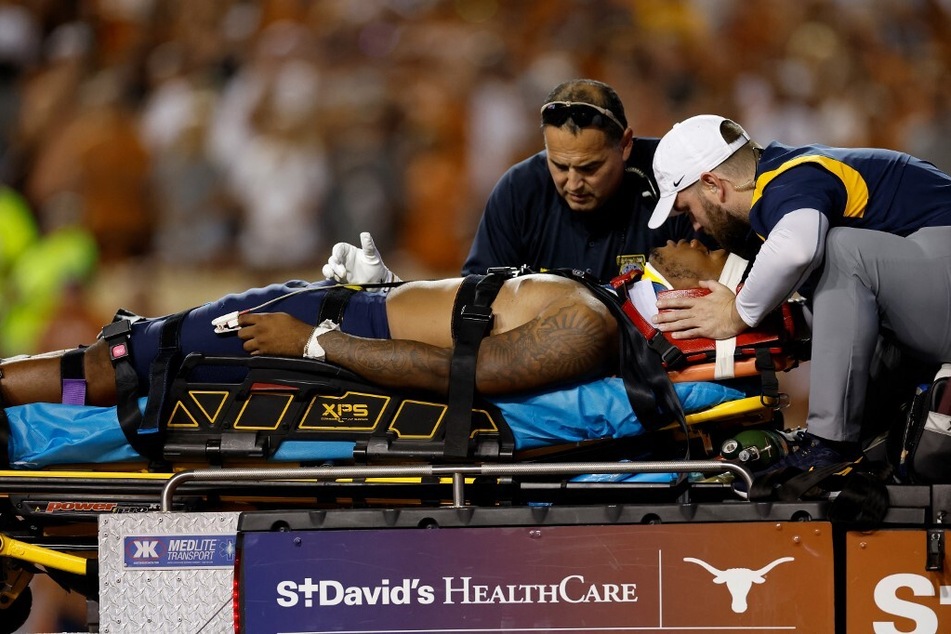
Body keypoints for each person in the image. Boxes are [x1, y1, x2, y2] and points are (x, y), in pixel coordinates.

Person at [0, 240, 734, 412]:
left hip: (319, 323)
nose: (686, 233)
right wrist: (383, 288)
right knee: (120, 357)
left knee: (117, 365)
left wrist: (318, 344)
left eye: (704, 246)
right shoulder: (597, 303)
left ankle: (18, 402)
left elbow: (464, 376)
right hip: (334, 302)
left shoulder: (588, 328)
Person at [646, 114, 951, 470]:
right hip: (933, 283)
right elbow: (846, 305)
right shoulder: (787, 182)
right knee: (847, 296)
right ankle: (862, 446)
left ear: (713, 183)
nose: (694, 225)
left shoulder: (789, 177)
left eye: (687, 208)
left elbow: (797, 249)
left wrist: (735, 314)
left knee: (842, 249)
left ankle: (829, 443)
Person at [323, 79, 700, 286]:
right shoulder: (520, 189)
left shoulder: (671, 176)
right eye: (559, 165)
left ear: (626, 145)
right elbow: (476, 296)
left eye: (589, 167)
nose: (573, 183)